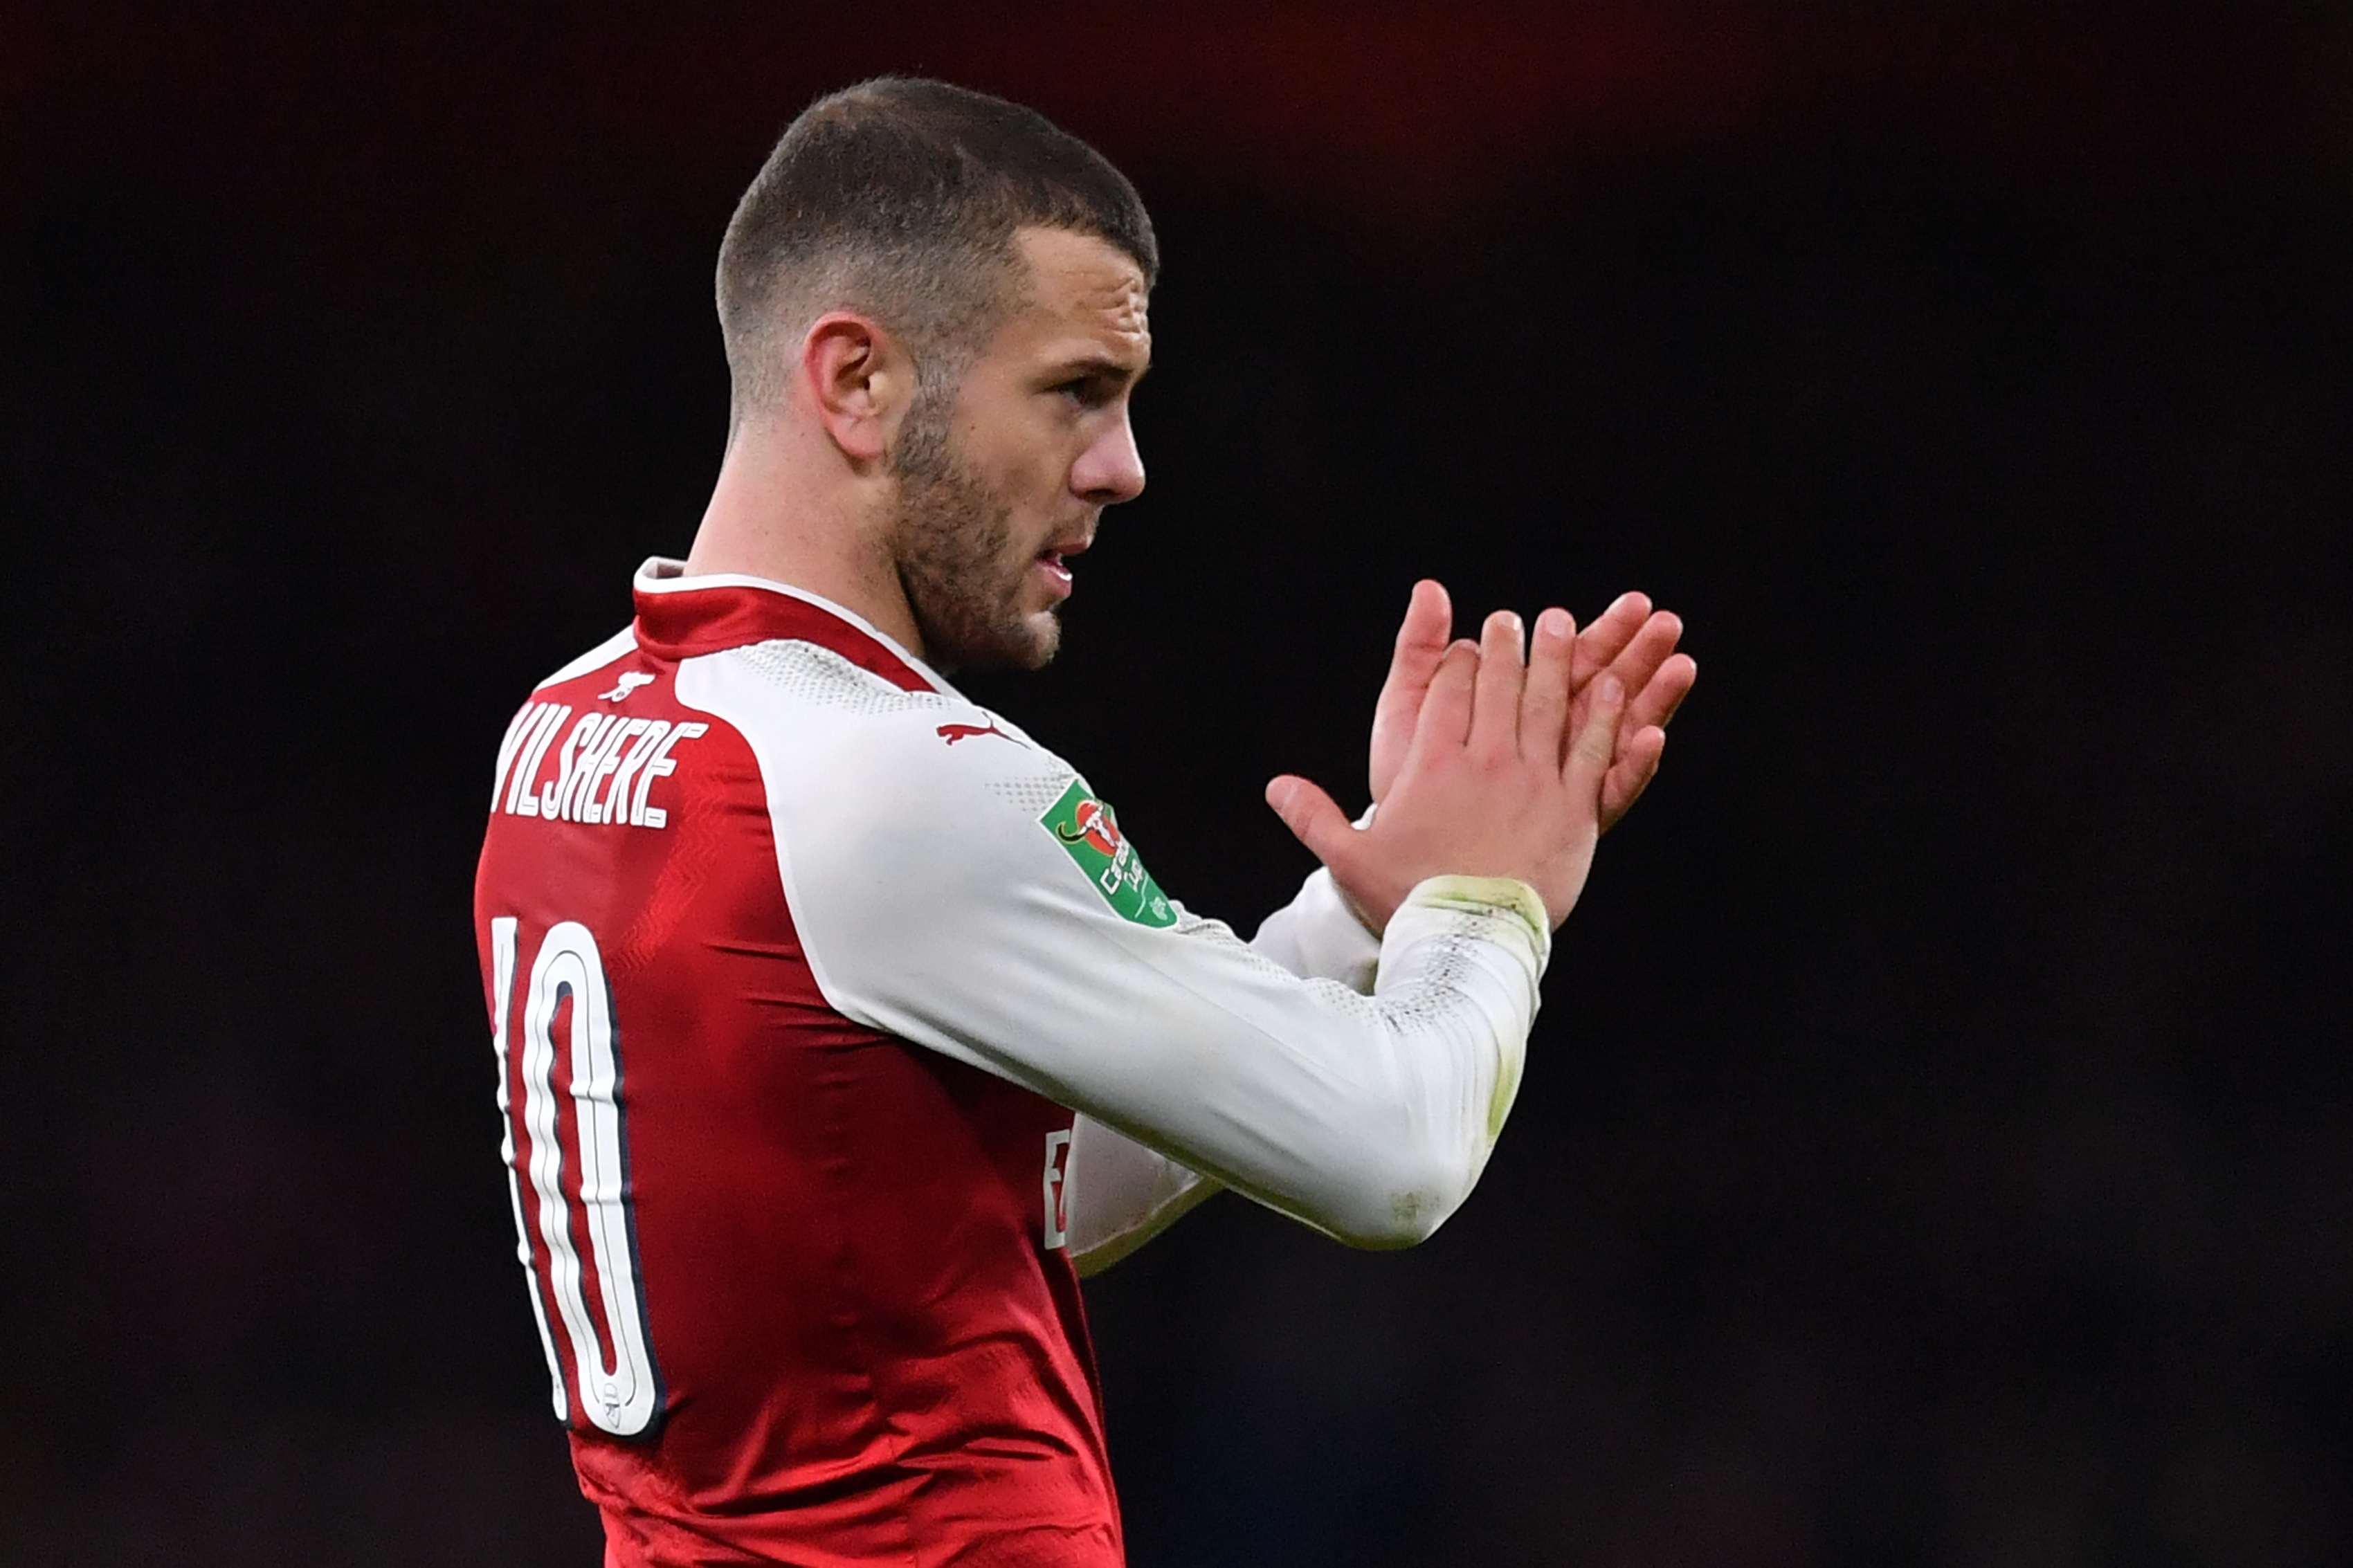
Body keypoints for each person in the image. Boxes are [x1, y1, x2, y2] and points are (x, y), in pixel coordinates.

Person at [472, 78, 1695, 1567]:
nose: (1122, 465)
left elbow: (991, 1213)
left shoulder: (572, 725)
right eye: (1074, 389)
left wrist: (1361, 914)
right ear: (855, 382)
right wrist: (1487, 900)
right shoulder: (891, 783)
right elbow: (1394, 1154)